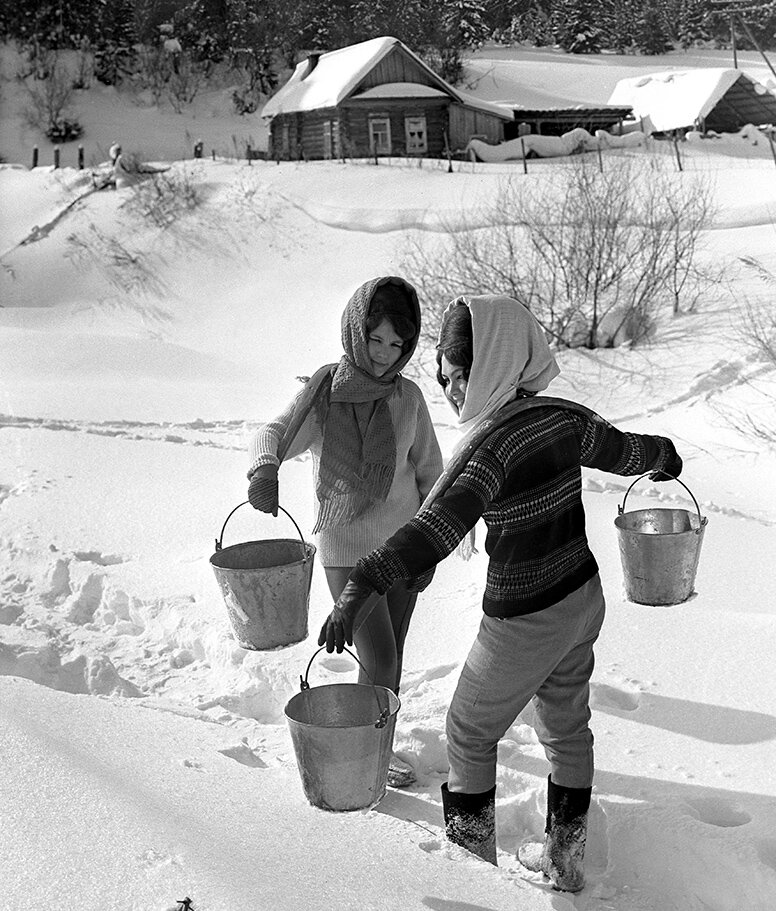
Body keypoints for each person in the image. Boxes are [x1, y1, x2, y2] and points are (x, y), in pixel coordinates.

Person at [319, 294, 683, 892]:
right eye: (443, 379)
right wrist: (664, 456)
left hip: (526, 616)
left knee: (467, 730)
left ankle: (473, 884)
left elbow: (435, 529)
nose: (452, 393)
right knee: (567, 727)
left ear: (493, 363)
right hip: (581, 598)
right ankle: (566, 863)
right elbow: (626, 451)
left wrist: (363, 581)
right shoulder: (564, 417)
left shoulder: (492, 448)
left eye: (459, 377)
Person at [248, 276, 443, 788]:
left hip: (403, 548)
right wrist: (264, 470)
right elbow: (272, 433)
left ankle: (374, 745)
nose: (383, 355)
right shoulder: (325, 396)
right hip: (346, 553)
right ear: (356, 331)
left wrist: (431, 547)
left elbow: (430, 474)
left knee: (391, 654)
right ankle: (366, 757)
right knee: (378, 654)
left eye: (397, 344)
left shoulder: (409, 399)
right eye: (375, 339)